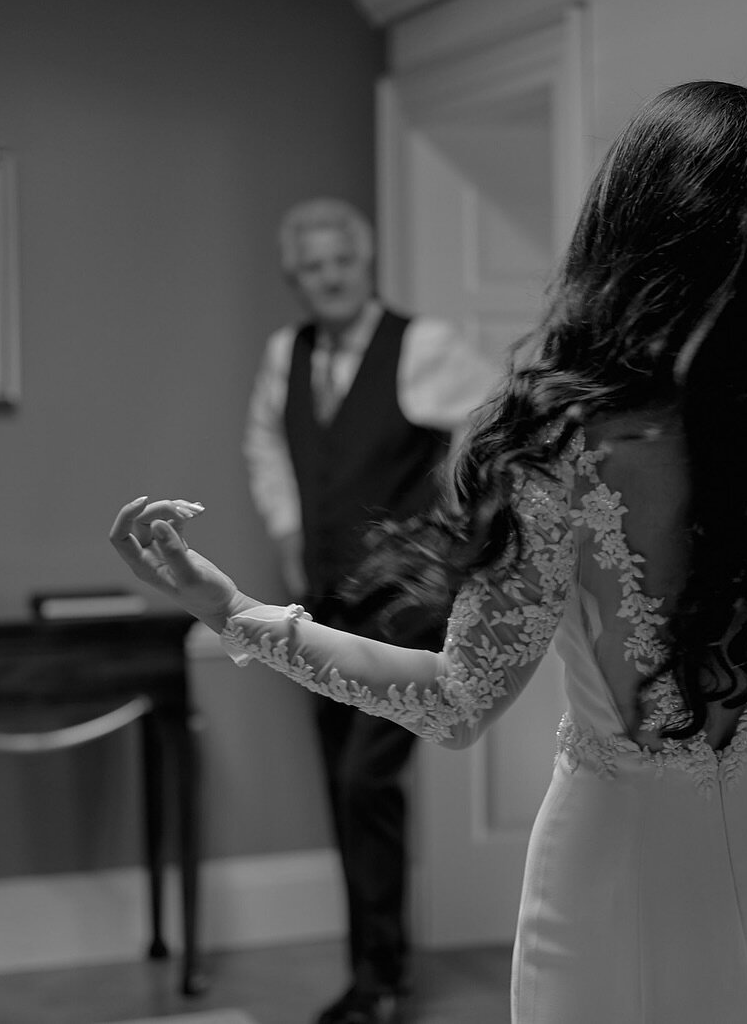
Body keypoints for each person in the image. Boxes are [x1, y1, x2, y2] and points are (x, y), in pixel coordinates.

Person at [113, 82, 747, 1023]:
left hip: (612, 884)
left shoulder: (557, 444)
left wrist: (237, 617)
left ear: (622, 235)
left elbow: (456, 701)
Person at [237, 197, 497, 1024]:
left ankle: (382, 980)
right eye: (312, 267)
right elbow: (265, 445)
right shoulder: (289, 352)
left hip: (405, 612)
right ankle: (370, 974)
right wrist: (284, 528)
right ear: (295, 279)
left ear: (366, 261)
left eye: (340, 261)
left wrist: (452, 532)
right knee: (341, 785)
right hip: (316, 606)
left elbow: (500, 427)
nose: (329, 278)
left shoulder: (422, 346)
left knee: (365, 778)